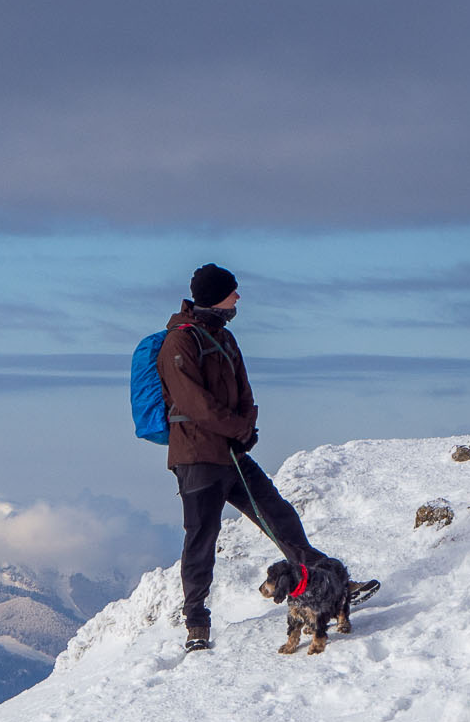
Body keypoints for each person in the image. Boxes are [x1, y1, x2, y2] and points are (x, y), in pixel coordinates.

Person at [155, 263, 374, 652]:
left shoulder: (224, 337)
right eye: (232, 292)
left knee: (279, 514)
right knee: (201, 541)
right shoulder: (180, 343)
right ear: (215, 296)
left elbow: (242, 390)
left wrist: (247, 426)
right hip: (197, 457)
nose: (238, 297)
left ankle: (329, 582)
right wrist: (238, 429)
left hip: (231, 454)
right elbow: (195, 403)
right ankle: (196, 625)